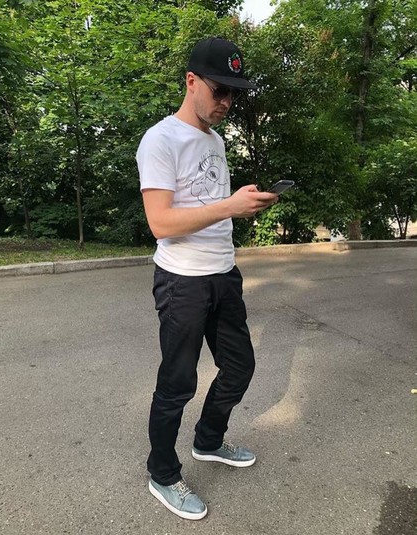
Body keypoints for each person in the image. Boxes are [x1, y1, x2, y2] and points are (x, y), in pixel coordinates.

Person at [136, 36, 278, 520]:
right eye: (220, 90)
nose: (227, 102)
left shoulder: (215, 140)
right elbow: (161, 223)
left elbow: (208, 207)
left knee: (240, 367)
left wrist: (242, 204)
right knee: (177, 384)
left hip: (223, 275)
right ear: (192, 81)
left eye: (233, 93)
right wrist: (229, 206)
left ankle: (208, 440)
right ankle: (162, 474)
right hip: (183, 282)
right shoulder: (160, 140)